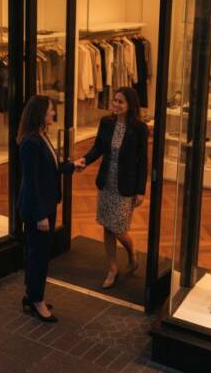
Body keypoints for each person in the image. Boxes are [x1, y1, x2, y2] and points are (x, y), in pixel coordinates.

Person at [75, 87, 148, 289]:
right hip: (107, 181)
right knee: (107, 226)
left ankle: (131, 252)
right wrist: (84, 160)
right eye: (115, 100)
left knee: (118, 228)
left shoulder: (140, 128)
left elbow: (143, 161)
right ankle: (113, 268)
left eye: (120, 102)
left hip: (126, 185)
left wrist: (140, 190)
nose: (116, 104)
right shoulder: (106, 122)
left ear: (130, 105)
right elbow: (98, 147)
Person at [17, 95, 74, 323]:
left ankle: (31, 296)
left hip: (45, 205)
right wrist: (40, 215)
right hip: (37, 209)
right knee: (39, 256)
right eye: (50, 110)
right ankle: (37, 300)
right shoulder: (31, 142)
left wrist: (71, 166)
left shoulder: (41, 136)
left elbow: (50, 168)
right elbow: (31, 183)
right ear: (40, 113)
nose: (53, 113)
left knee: (38, 254)